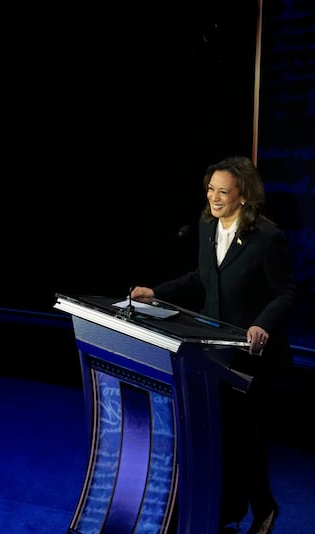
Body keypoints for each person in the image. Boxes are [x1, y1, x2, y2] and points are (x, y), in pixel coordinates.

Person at [130, 156, 296, 534]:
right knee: (217, 431)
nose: (214, 198)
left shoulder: (268, 238)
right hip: (209, 350)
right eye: (211, 189)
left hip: (250, 354)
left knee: (243, 434)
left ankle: (265, 508)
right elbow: (199, 278)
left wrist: (261, 325)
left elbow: (286, 292)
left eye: (224, 191)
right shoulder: (207, 226)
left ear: (243, 197)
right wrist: (156, 292)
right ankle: (224, 511)